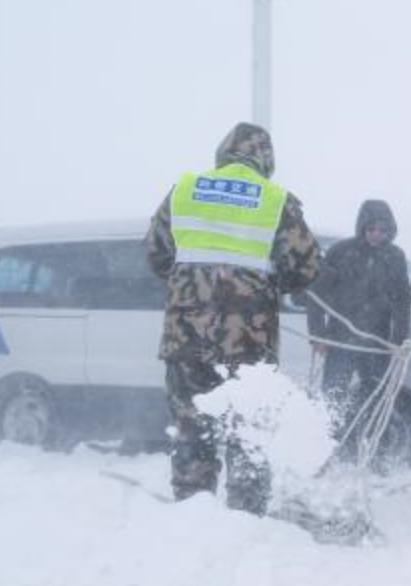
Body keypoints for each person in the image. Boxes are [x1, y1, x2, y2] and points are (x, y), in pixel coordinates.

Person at [146, 122, 320, 515]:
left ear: (224, 152)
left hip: (186, 337)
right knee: (248, 435)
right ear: (266, 159)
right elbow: (305, 269)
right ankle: (245, 523)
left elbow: (157, 255)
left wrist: (193, 289)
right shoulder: (276, 200)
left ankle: (193, 517)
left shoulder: (186, 189)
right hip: (249, 344)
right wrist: (268, 284)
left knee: (192, 431)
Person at [306, 199, 411, 439]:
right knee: (332, 398)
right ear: (362, 226)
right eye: (372, 228)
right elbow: (315, 295)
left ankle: (371, 448)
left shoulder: (395, 257)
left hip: (378, 343)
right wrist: (317, 336)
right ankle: (325, 447)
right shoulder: (340, 252)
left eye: (383, 230)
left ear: (390, 231)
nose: (377, 235)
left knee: (376, 397)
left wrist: (399, 341)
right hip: (340, 340)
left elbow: (402, 301)